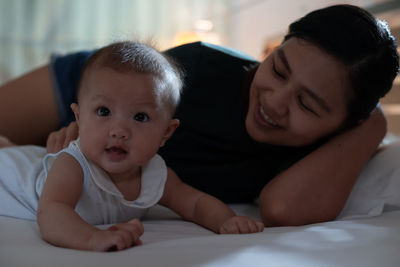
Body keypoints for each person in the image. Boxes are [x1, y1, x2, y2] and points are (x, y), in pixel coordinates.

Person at [0, 4, 398, 227]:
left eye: (307, 104)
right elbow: (111, 103)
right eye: (277, 68)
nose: (275, 102)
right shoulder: (198, 70)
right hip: (88, 91)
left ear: (346, 123)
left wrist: (373, 122)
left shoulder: (332, 148)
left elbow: (283, 209)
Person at [0, 41, 264, 252]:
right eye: (103, 111)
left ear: (166, 132)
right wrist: (93, 238)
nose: (119, 131)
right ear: (79, 118)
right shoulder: (73, 165)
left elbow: (195, 203)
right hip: (10, 173)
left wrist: (226, 220)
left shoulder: (155, 176)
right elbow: (52, 214)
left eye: (140, 117)